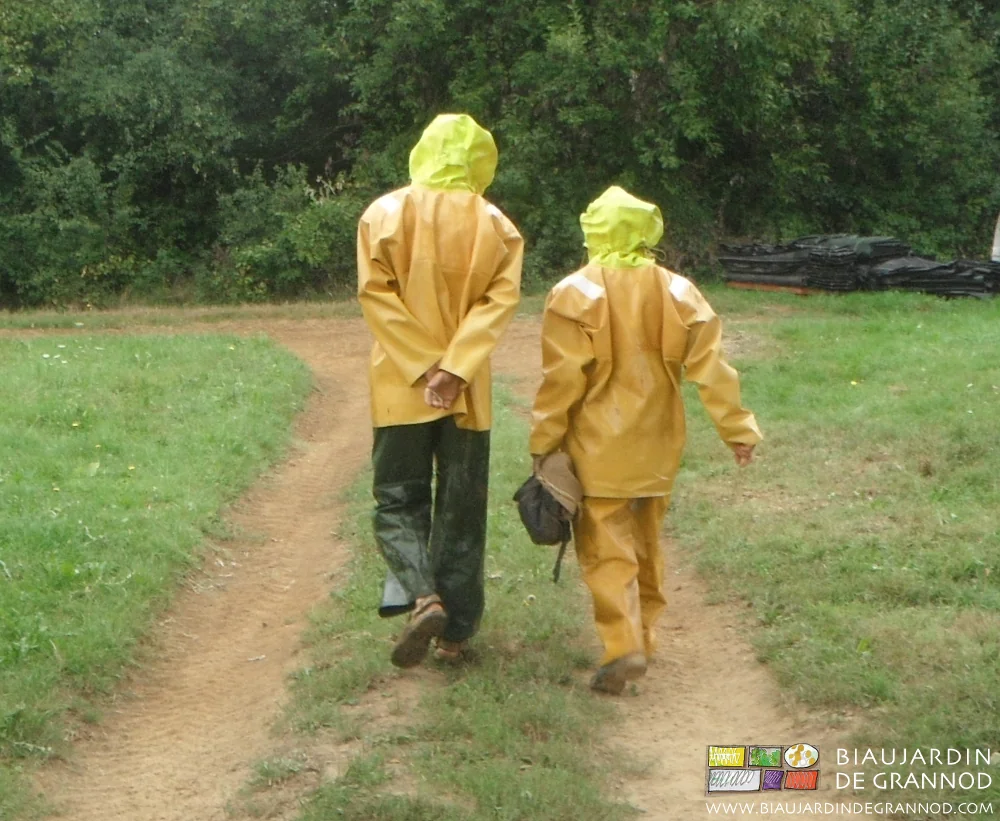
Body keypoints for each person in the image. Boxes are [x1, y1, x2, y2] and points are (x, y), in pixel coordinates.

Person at [528, 186, 761, 694]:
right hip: (658, 445)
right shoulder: (680, 292)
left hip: (598, 449)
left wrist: (545, 441)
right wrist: (738, 430)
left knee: (607, 549)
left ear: (593, 230)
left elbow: (561, 380)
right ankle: (646, 639)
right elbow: (712, 370)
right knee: (649, 544)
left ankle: (623, 646)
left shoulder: (573, 293)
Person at [357, 113, 523, 668]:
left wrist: (426, 366)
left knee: (398, 498)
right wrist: (453, 368)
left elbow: (376, 296)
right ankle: (455, 636)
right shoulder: (497, 225)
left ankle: (421, 595)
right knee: (461, 508)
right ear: (481, 159)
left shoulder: (383, 214)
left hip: (399, 386)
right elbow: (497, 304)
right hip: (467, 396)